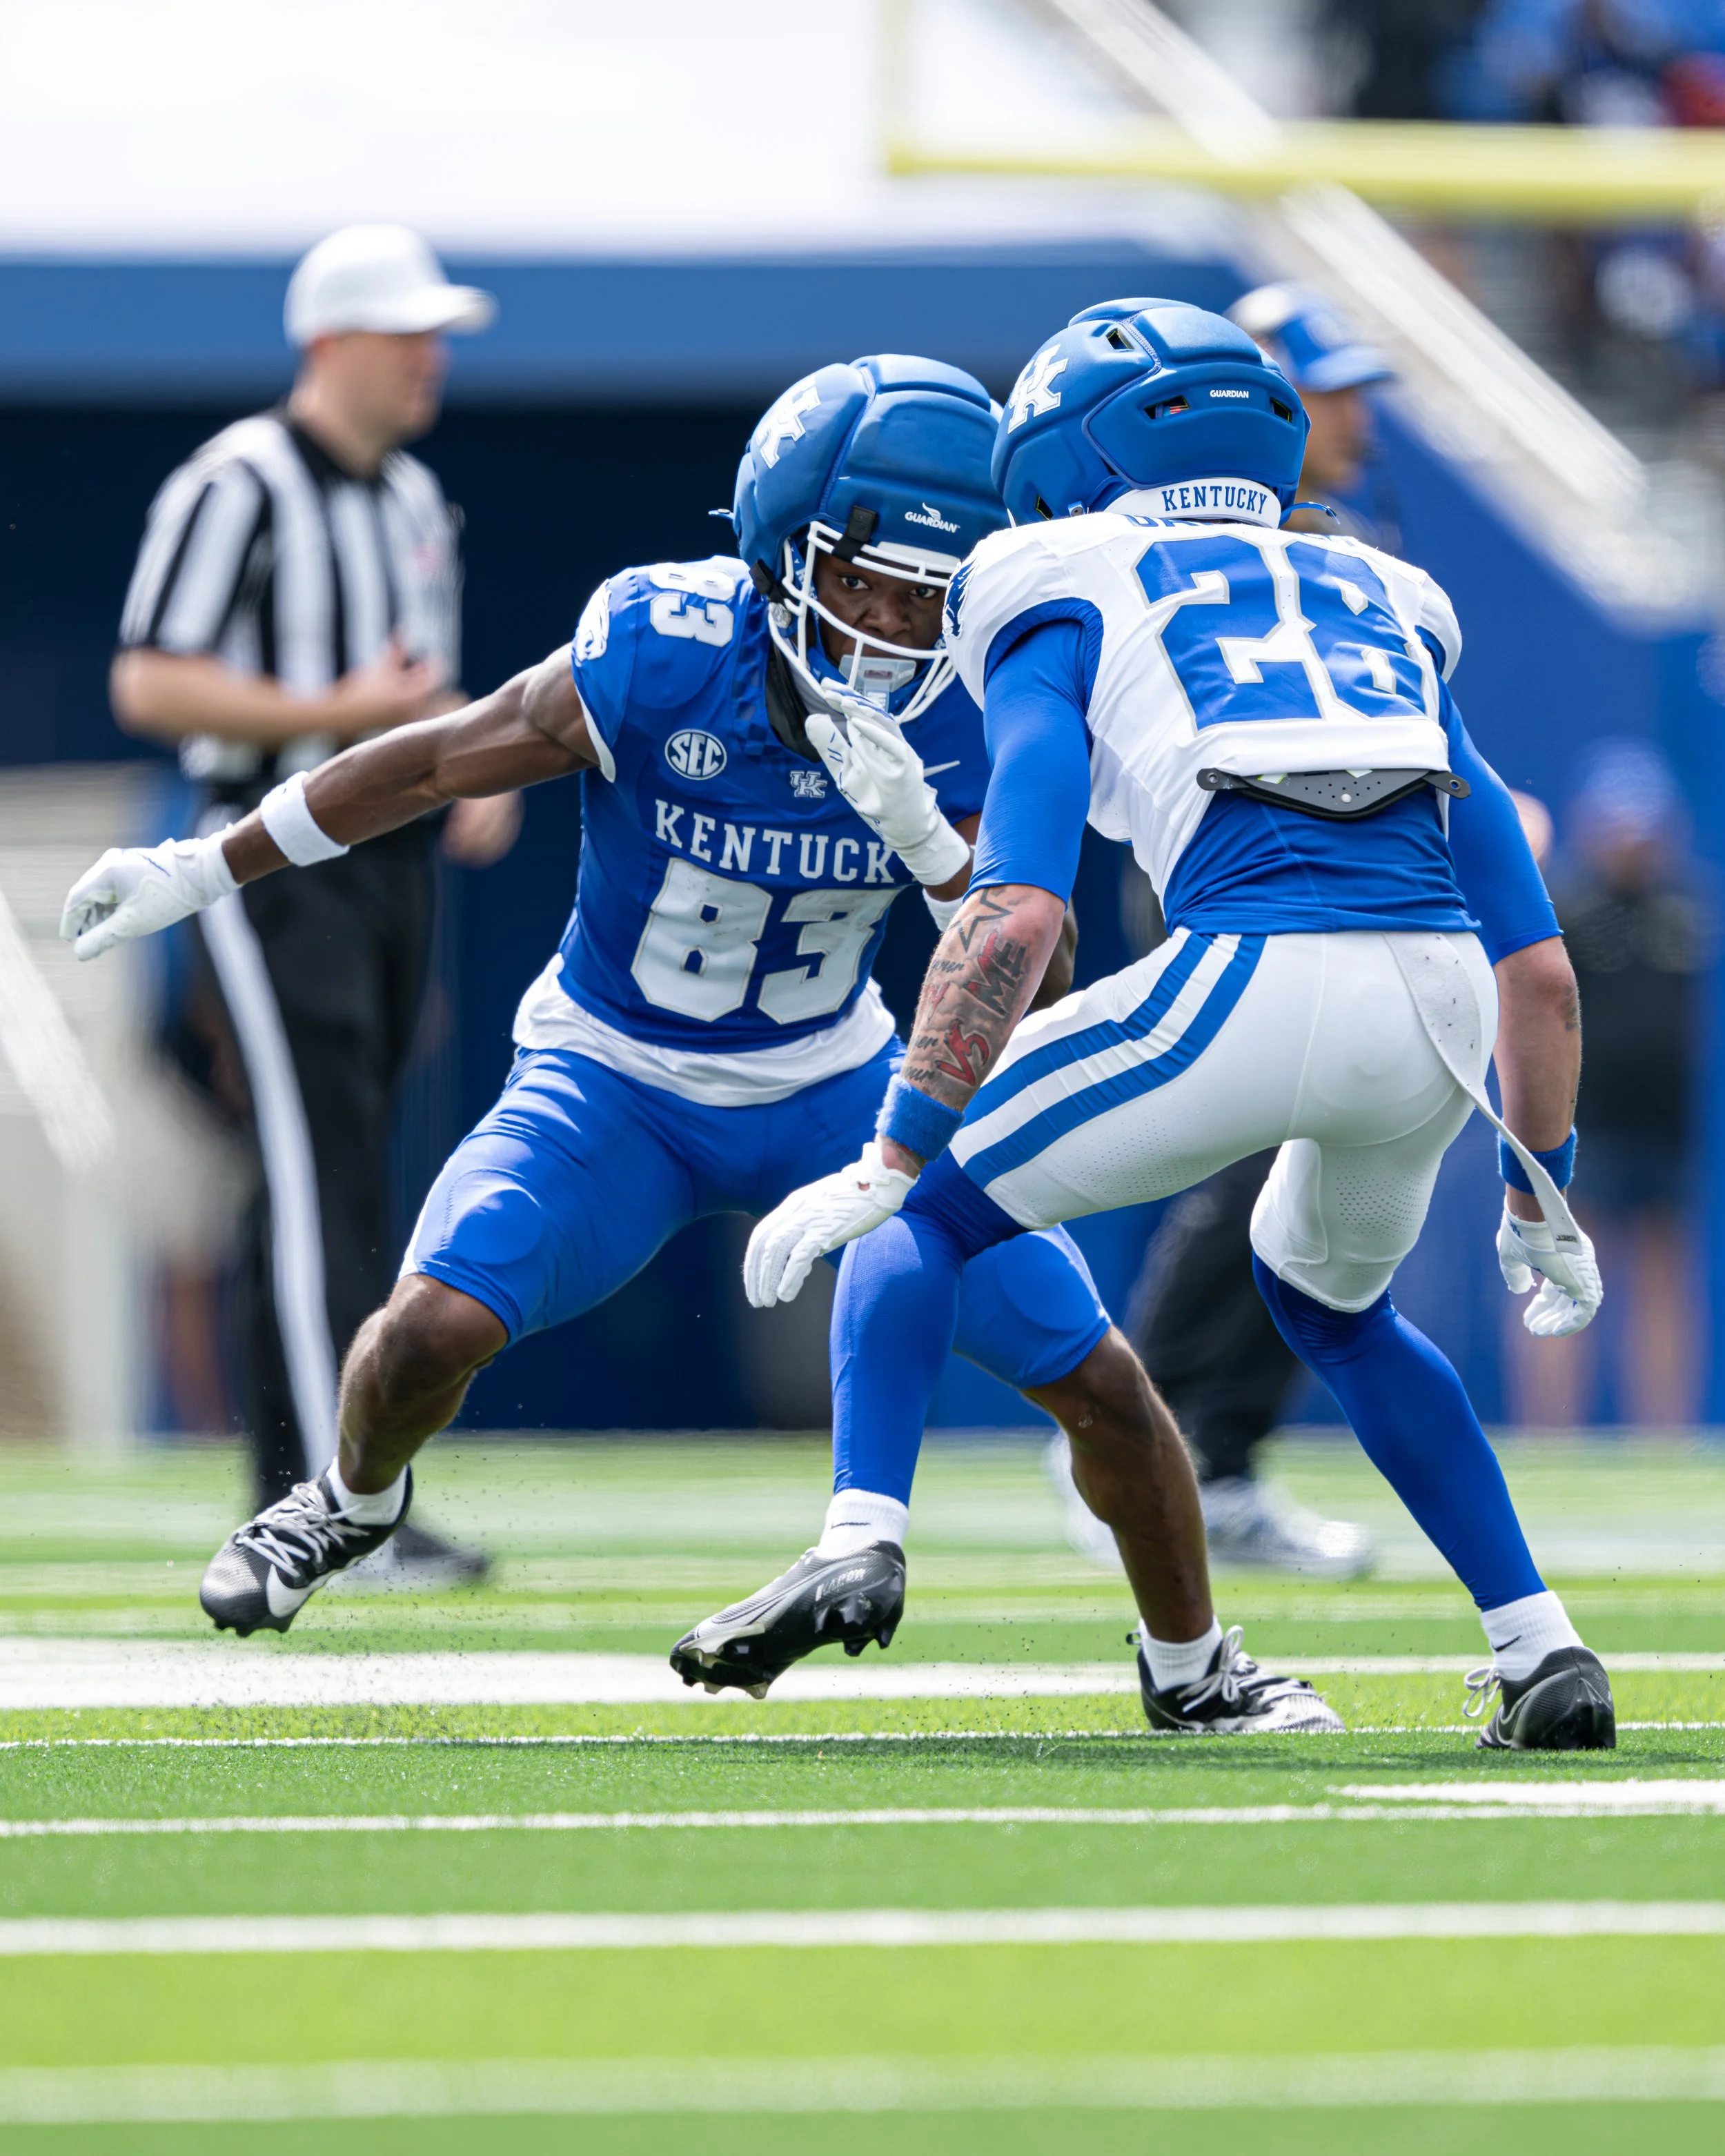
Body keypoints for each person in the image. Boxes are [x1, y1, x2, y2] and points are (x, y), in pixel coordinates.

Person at [64, 355, 1337, 1738]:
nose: (897, 622)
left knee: (1099, 1382)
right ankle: (350, 1497)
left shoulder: (980, 698)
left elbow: (1033, 981)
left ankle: (1193, 1668)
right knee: (428, 1326)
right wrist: (208, 864)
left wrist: (925, 842)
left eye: (931, 590)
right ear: (783, 542)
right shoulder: (664, 644)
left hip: (835, 1086)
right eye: (863, 580)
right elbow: (435, 758)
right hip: (613, 1076)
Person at [744, 298, 1617, 1753]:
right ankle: (1539, 1644)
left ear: (1063, 458)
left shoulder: (1050, 573)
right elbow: (1540, 970)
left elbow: (1016, 911)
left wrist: (890, 1147)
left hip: (1254, 971)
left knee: (923, 1217)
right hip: (1440, 1007)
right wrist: (1539, 1185)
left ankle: (858, 1532)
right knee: (1332, 1305)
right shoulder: (1378, 594)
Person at [110, 223, 520, 1583]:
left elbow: (425, 689)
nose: (430, 363)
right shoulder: (236, 482)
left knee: (347, 1167)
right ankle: (321, 1496)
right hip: (265, 860)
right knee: (311, 1171)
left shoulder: (412, 498)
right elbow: (152, 682)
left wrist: (474, 765)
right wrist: (334, 715)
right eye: (407, 336)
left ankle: (339, 1478)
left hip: (387, 867)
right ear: (329, 342)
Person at [1048, 285, 1395, 1579]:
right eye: (1333, 389)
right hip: (1220, 847)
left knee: (1304, 1150)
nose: (1355, 416)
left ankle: (1215, 1445)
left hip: (1323, 862)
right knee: (1252, 1148)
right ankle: (1149, 1427)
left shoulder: (1343, 528)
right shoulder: (1178, 532)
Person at [1523, 738, 1712, 1427]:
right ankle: (1550, 1436)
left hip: (1663, 1125)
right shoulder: (1563, 910)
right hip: (1580, 1124)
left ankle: (1664, 1436)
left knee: (1663, 1274)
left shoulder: (1685, 912)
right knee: (1561, 1273)